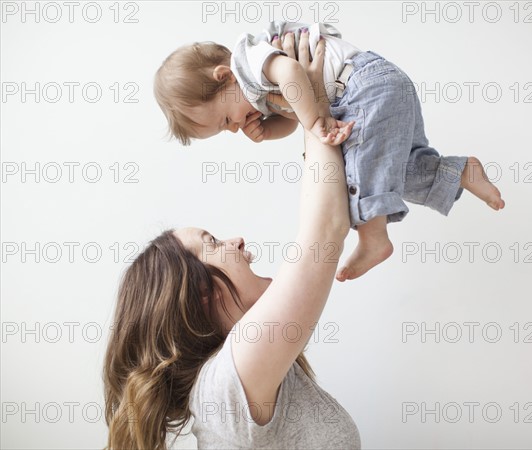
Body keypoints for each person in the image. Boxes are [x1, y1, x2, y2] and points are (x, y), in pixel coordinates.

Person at [104, 36, 360, 449]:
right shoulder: (231, 379)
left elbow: (323, 224)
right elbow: (324, 230)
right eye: (212, 241)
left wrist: (306, 110)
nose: (238, 240)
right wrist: (312, 103)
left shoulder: (236, 379)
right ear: (200, 295)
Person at [153, 21, 505, 283]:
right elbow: (293, 120)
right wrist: (269, 131)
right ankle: (458, 172)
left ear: (223, 76)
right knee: (390, 172)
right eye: (226, 130)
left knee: (361, 169)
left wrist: (317, 121)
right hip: (378, 88)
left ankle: (374, 238)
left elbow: (292, 72)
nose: (234, 127)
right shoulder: (255, 92)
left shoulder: (249, 61)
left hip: (363, 85)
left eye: (226, 118)